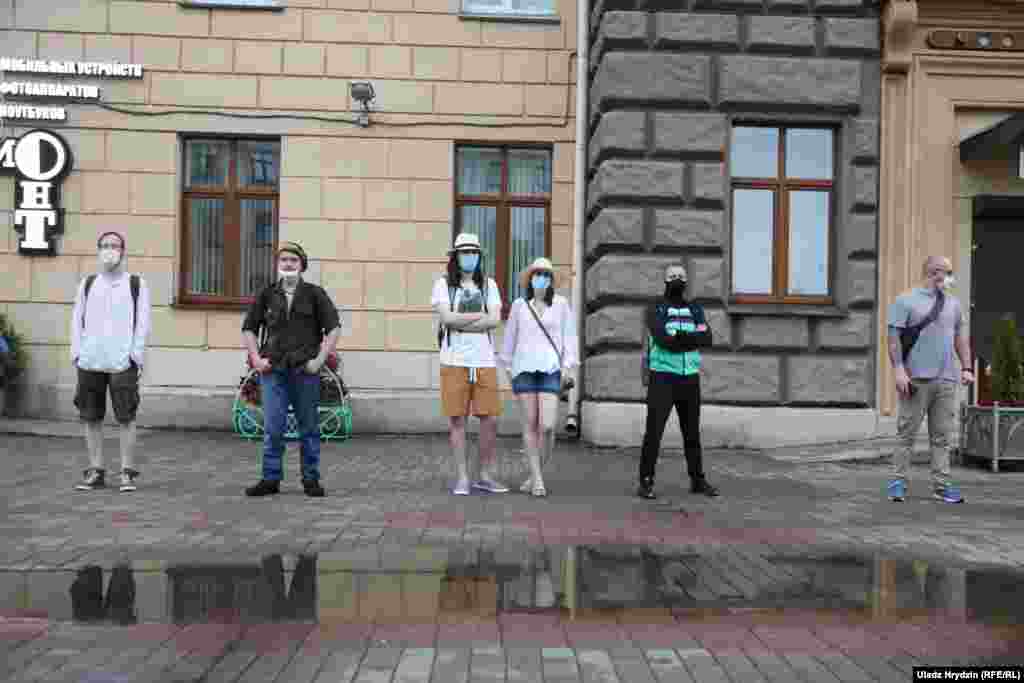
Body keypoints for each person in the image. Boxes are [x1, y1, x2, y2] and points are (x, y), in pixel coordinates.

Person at [241, 241, 341, 498]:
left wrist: (320, 360)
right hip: (273, 370)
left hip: (304, 371)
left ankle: (311, 479)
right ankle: (270, 478)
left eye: (293, 260)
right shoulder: (267, 294)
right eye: (283, 260)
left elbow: (333, 328)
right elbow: (249, 328)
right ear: (278, 265)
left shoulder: (315, 294)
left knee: (308, 427)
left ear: (302, 265)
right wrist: (255, 358)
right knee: (274, 427)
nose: (288, 264)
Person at [886, 255, 973, 504]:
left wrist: (966, 367)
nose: (947, 278)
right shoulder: (905, 301)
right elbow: (893, 340)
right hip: (916, 380)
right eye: (944, 273)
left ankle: (942, 486)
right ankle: (897, 483)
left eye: (949, 272)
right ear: (932, 273)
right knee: (907, 435)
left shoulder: (953, 304)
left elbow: (960, 339)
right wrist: (899, 370)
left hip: (946, 380)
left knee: (942, 437)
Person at [71, 231, 151, 493]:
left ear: (123, 251)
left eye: (114, 246)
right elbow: (77, 319)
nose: (109, 250)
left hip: (122, 361)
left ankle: (127, 472)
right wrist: (77, 353)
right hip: (90, 360)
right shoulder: (88, 283)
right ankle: (96, 470)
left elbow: (142, 324)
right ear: (98, 250)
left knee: (126, 417)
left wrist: (135, 356)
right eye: (105, 245)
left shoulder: (136, 284)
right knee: (90, 416)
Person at [432, 233, 506, 496]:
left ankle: (484, 475)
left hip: (484, 359)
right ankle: (463, 477)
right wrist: (478, 316)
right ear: (455, 257)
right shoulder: (443, 285)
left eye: (474, 253)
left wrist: (460, 318)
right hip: (453, 360)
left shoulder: (489, 285)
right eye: (464, 253)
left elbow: (495, 320)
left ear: (480, 257)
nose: (470, 257)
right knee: (457, 420)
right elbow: (447, 320)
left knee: (490, 419)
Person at [637, 263, 718, 500]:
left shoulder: (695, 309)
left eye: (681, 276)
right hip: (662, 377)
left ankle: (697, 480)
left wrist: (681, 337)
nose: (677, 280)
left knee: (692, 432)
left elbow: (708, 338)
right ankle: (646, 481)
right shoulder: (655, 309)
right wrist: (691, 338)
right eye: (672, 276)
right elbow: (663, 341)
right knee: (654, 432)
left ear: (686, 281)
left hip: (689, 378)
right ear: (665, 281)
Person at [500, 257, 578, 497]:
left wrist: (567, 367)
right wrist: (509, 370)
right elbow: (509, 342)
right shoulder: (519, 306)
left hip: (550, 370)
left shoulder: (562, 305)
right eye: (537, 274)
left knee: (547, 426)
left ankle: (536, 473)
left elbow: (570, 338)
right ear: (530, 280)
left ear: (551, 281)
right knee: (530, 423)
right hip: (524, 371)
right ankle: (537, 479)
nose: (541, 279)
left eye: (546, 275)